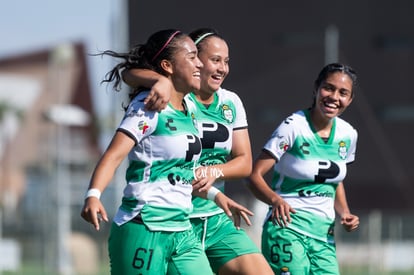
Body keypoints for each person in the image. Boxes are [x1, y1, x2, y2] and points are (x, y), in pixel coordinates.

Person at [80, 29, 253, 275]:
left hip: (181, 233)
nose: (199, 63)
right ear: (167, 66)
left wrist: (217, 196)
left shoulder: (190, 109)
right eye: (193, 57)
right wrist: (93, 194)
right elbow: (113, 155)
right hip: (145, 227)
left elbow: (181, 174)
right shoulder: (148, 106)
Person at [122, 28, 274, 275]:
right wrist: (157, 80)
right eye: (215, 60)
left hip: (216, 219)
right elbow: (129, 73)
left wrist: (213, 171)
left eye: (226, 61)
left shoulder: (230, 102)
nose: (223, 68)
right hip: (178, 220)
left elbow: (245, 162)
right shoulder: (176, 95)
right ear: (194, 59)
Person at [248, 63, 360, 275]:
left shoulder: (349, 134)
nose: (334, 97)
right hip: (287, 229)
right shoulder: (293, 126)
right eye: (328, 88)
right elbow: (253, 176)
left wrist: (344, 212)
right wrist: (275, 200)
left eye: (343, 93)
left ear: (350, 99)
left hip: (323, 236)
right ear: (316, 88)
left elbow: (334, 180)